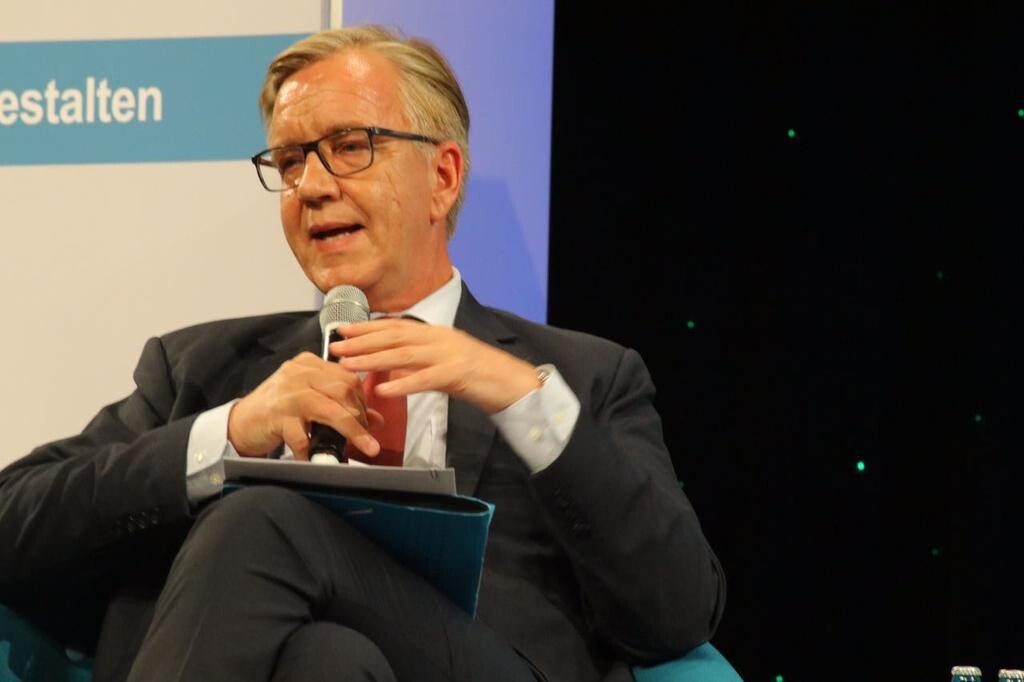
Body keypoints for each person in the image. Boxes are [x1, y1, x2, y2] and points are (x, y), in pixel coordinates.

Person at [0, 25, 724, 682]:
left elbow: (678, 612)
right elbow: (13, 520)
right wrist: (229, 433)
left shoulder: (582, 377)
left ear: (443, 177)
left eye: (350, 147)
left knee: (261, 518)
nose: (312, 187)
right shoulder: (201, 367)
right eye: (290, 161)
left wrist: (523, 400)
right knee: (327, 660)